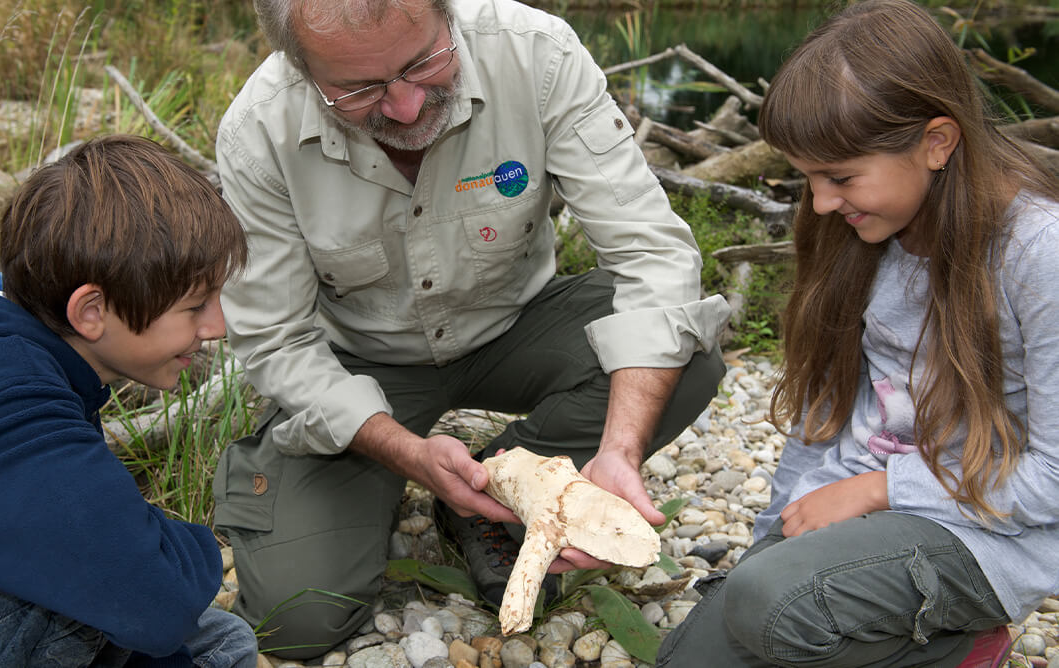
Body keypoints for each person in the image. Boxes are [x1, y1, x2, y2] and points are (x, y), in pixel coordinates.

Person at [212, 0, 731, 656]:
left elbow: (651, 255)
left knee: (687, 356)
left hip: (516, 323)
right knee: (299, 619)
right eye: (358, 89)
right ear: (300, 65)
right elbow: (278, 341)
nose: (405, 107)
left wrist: (620, 449)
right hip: (359, 362)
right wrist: (407, 454)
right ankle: (397, 483)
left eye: (423, 63)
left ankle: (491, 486)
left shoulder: (536, 54)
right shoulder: (260, 130)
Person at [655, 1, 1059, 666]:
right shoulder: (856, 232)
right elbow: (824, 414)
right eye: (809, 177)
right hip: (853, 508)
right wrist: (767, 542)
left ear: (937, 142)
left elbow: (1051, 479)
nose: (819, 202)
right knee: (699, 647)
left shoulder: (1037, 253)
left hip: (983, 536)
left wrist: (882, 488)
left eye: (840, 177)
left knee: (771, 605)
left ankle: (957, 647)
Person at [0, 135, 258, 667]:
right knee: (71, 575)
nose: (218, 326)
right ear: (91, 311)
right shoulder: (7, 397)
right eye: (195, 306)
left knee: (220, 642)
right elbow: (160, 598)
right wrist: (171, 545)